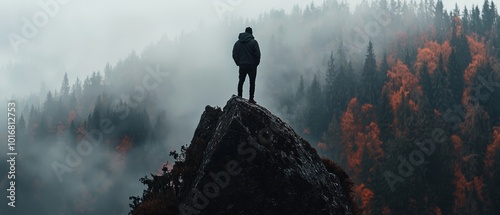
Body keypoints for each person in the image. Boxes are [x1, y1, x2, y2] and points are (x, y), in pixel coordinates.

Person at [232, 27, 261, 104]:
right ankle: (251, 99)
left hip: (242, 65)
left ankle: (239, 97)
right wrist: (256, 63)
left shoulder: (238, 43)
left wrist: (238, 63)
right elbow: (257, 54)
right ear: (251, 33)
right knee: (252, 82)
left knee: (241, 81)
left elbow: (234, 54)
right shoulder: (254, 42)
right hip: (252, 66)